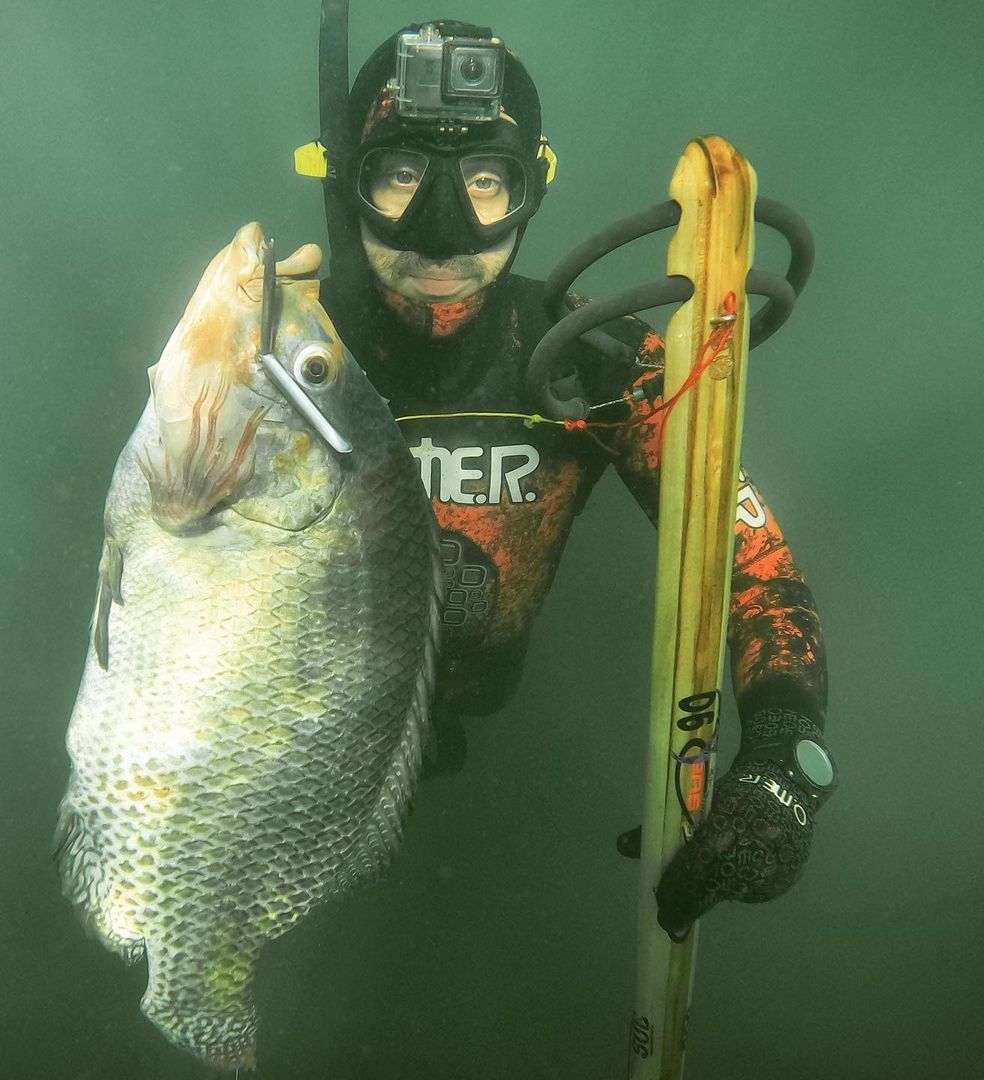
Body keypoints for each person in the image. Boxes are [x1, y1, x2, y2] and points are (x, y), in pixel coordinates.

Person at [300, 19, 837, 937]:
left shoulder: (589, 361)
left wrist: (787, 762)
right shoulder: (276, 357)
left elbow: (751, 560)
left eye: (482, 180)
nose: (441, 230)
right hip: (302, 730)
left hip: (487, 703)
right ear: (346, 178)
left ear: (532, 186)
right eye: (398, 174)